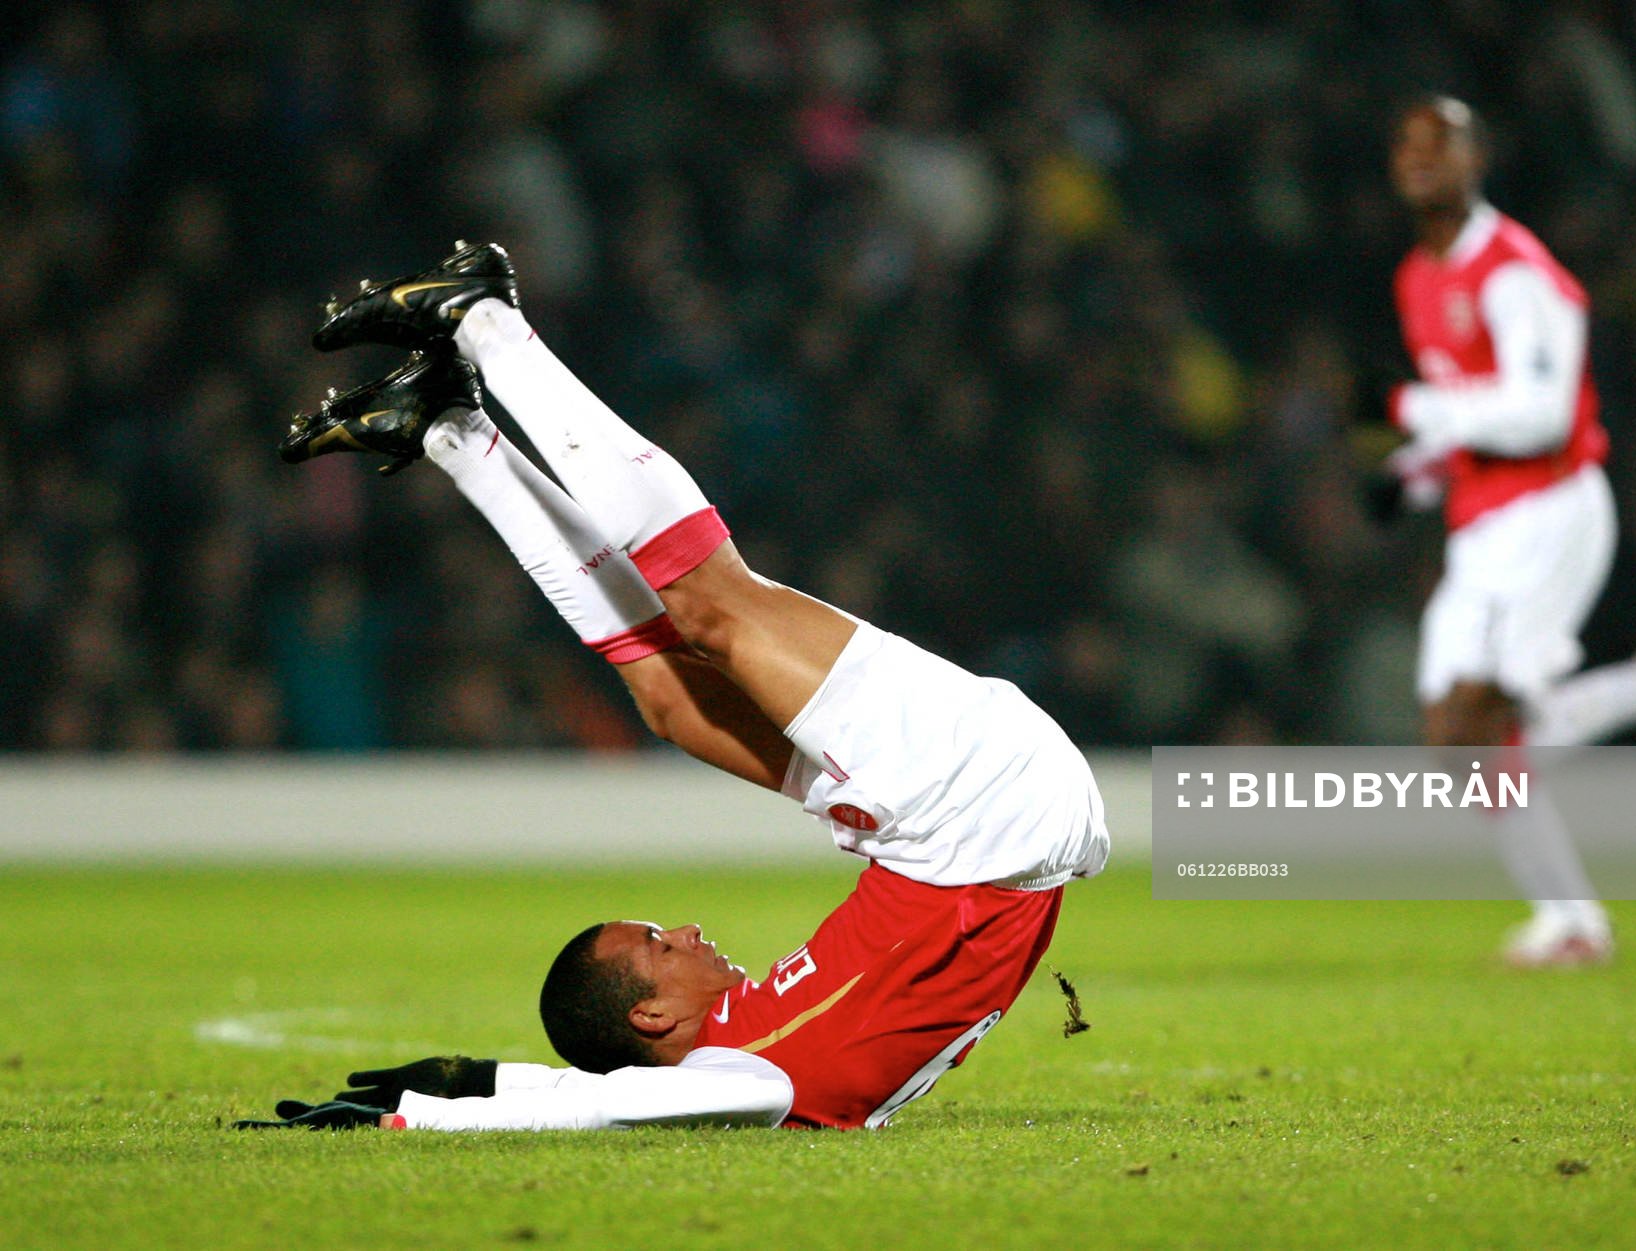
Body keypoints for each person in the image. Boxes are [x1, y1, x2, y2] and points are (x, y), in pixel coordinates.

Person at [236, 242, 1108, 1132]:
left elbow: (597, 1092)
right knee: (711, 610)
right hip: (969, 811)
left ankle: (454, 432)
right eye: (658, 945)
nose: (687, 931)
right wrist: (417, 1118)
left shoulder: (723, 1049)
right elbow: (611, 1104)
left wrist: (463, 1082)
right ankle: (483, 330)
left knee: (674, 691)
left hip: (958, 826)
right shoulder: (747, 1072)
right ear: (651, 1018)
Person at [1368, 97, 1636, 967]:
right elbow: (1470, 420)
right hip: (1481, 525)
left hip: (1548, 511)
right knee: (1456, 744)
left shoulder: (1515, 274)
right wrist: (1414, 472)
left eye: (1444, 144)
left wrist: (1410, 408)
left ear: (1478, 160)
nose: (1423, 158)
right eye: (1409, 144)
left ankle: (1574, 917)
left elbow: (1539, 415)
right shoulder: (1415, 278)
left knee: (1478, 738)